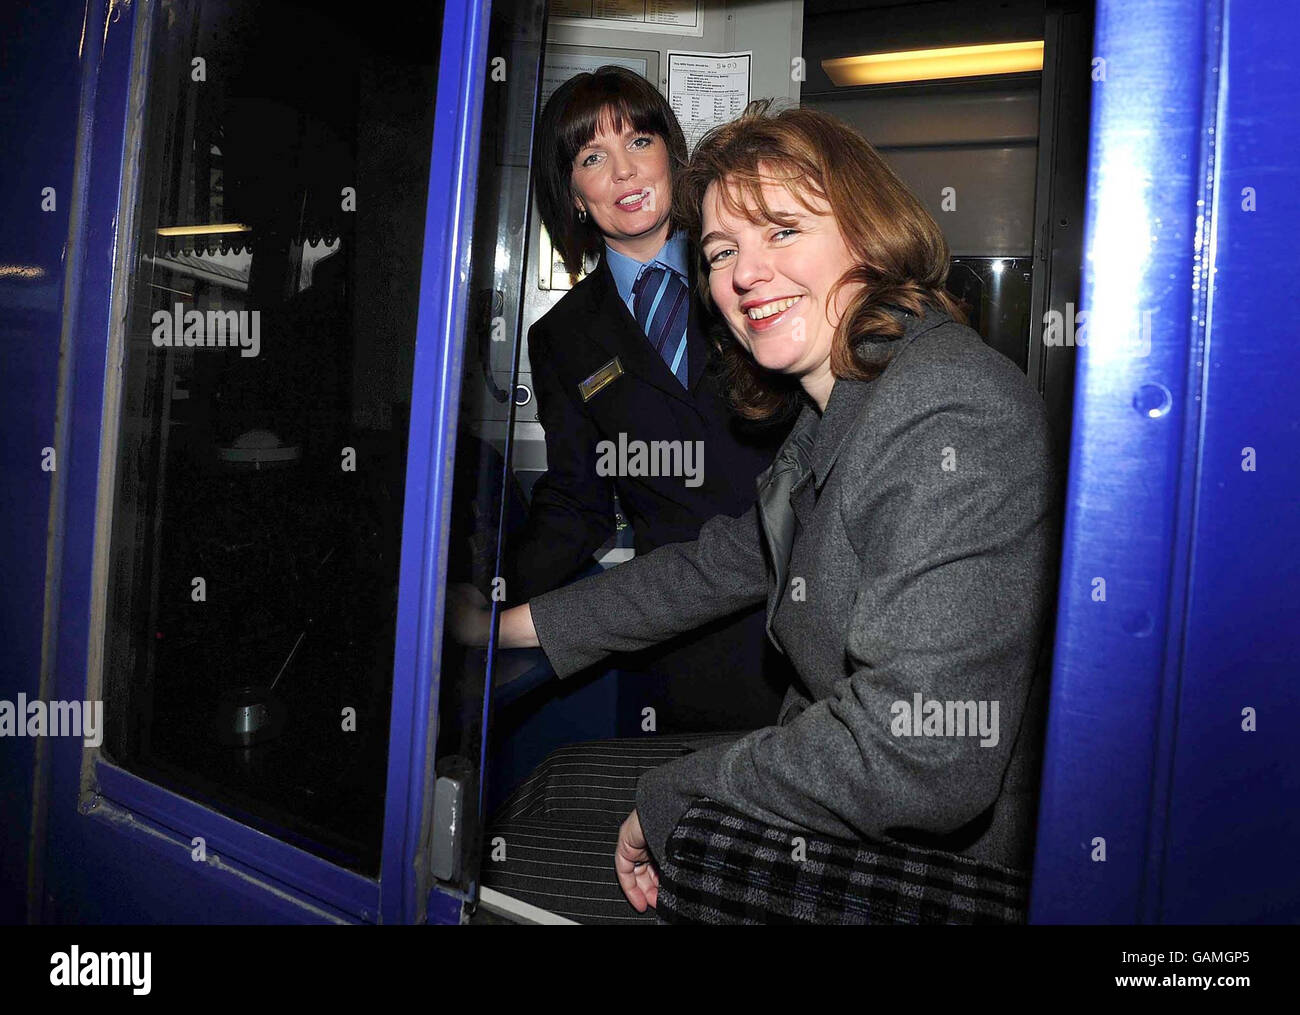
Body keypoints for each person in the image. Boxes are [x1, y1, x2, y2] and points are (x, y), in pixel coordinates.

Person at [455, 100, 1059, 924]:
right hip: (838, 785)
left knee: (501, 883)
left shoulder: (945, 407)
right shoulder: (846, 398)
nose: (744, 275)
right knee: (552, 781)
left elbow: (924, 750)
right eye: (722, 251)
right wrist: (506, 626)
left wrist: (682, 792)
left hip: (935, 876)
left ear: (867, 230)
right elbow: (722, 561)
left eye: (782, 232)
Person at [501, 65, 793, 730]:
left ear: (671, 154)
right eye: (593, 157)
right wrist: (489, 598)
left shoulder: (754, 272)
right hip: (680, 637)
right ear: (573, 194)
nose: (625, 175)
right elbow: (579, 502)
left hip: (806, 613)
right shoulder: (563, 338)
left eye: (639, 142)